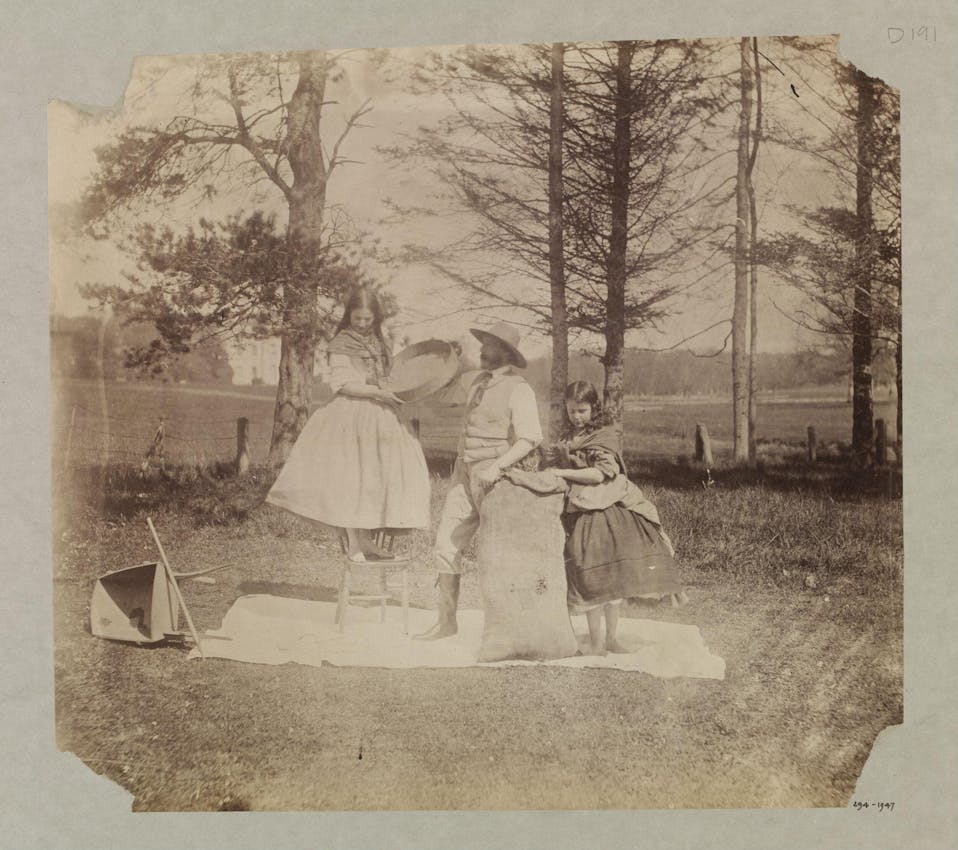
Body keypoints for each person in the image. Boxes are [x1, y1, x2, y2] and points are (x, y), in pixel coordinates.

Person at [266, 287, 430, 561]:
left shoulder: (378, 342)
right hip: (352, 414)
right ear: (349, 316)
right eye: (358, 319)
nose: (363, 324)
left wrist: (396, 389)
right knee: (353, 479)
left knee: (374, 480)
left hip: (382, 416)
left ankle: (366, 539)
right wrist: (380, 393)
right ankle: (353, 542)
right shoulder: (341, 343)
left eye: (368, 320)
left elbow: (387, 375)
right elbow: (342, 384)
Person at [414, 321, 543, 640]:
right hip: (463, 471)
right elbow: (438, 397)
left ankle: (513, 627)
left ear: (506, 353)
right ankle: (446, 622)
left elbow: (530, 438)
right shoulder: (474, 380)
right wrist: (447, 364)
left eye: (490, 345)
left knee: (502, 550)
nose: (483, 350)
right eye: (483, 344)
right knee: (446, 542)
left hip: (494, 476)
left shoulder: (519, 389)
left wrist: (496, 469)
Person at [543, 381, 683, 655]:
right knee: (589, 577)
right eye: (572, 411)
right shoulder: (567, 436)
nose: (577, 417)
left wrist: (562, 473)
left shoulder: (603, 435)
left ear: (594, 408)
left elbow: (599, 474)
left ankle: (610, 639)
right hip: (578, 509)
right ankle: (596, 642)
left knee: (610, 576)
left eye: (582, 410)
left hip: (606, 509)